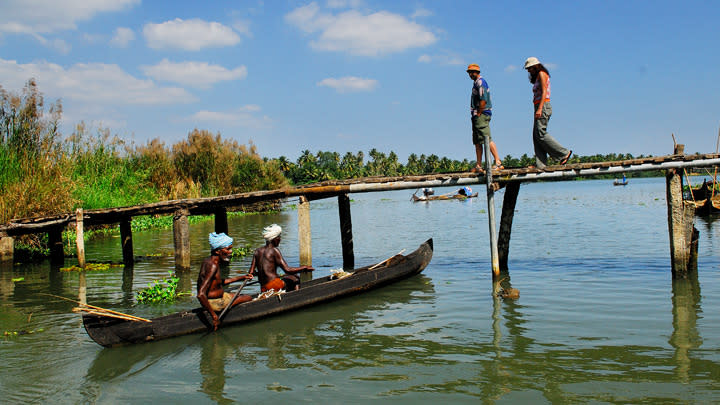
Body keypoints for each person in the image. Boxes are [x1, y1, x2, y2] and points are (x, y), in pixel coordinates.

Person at [197, 232, 253, 331]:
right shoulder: (213, 266)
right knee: (248, 297)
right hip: (215, 303)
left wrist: (242, 277)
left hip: (218, 297)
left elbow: (219, 282)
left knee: (237, 295)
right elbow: (200, 294)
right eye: (228, 249)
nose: (231, 252)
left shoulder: (208, 261)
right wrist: (214, 316)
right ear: (218, 251)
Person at [524, 57, 572, 169]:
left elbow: (545, 91)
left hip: (543, 105)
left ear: (535, 66)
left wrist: (540, 108)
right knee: (536, 135)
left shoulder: (542, 73)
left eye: (530, 68)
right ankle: (540, 164)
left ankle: (563, 153)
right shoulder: (538, 76)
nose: (528, 71)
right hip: (538, 106)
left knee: (540, 133)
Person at [248, 224, 314, 292]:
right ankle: (296, 296)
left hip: (263, 288)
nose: (280, 239)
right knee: (295, 277)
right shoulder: (274, 250)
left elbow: (250, 272)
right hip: (273, 286)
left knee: (287, 277)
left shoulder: (257, 251)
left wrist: (256, 273)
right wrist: (304, 268)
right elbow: (287, 270)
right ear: (274, 238)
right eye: (279, 237)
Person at [467, 63, 503, 174]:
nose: (470, 74)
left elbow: (483, 99)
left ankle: (498, 162)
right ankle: (478, 165)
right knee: (477, 141)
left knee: (486, 137)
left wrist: (479, 113)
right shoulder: (476, 83)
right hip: (476, 114)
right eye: (469, 72)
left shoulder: (481, 83)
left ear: (476, 72)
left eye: (471, 72)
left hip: (481, 114)